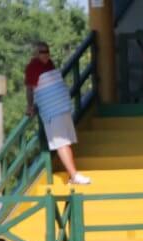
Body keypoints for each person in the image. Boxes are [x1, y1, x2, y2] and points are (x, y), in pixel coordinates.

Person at [25, 41, 90, 185]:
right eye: (42, 52)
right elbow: (30, 89)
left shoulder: (49, 64)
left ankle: (73, 174)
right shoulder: (32, 67)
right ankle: (74, 175)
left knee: (64, 142)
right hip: (53, 109)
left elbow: (33, 88)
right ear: (36, 53)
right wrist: (30, 106)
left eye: (47, 51)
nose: (46, 54)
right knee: (62, 143)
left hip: (60, 106)